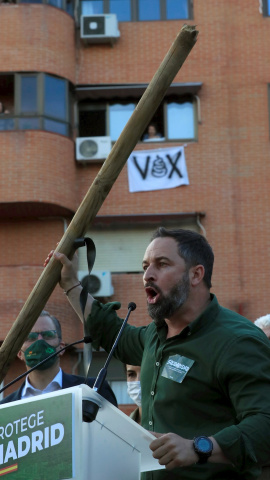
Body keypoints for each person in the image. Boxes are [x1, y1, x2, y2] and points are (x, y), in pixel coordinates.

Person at [45, 227, 270, 480]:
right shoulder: (154, 335)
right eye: (145, 267)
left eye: (161, 264)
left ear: (196, 274)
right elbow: (109, 331)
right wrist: (71, 284)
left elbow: (265, 423)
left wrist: (198, 448)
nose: (147, 276)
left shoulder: (237, 341)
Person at [0, 310, 117, 407]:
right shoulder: (5, 407)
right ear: (20, 353)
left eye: (48, 335)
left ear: (62, 347)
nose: (40, 341)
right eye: (30, 337)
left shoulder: (93, 390)